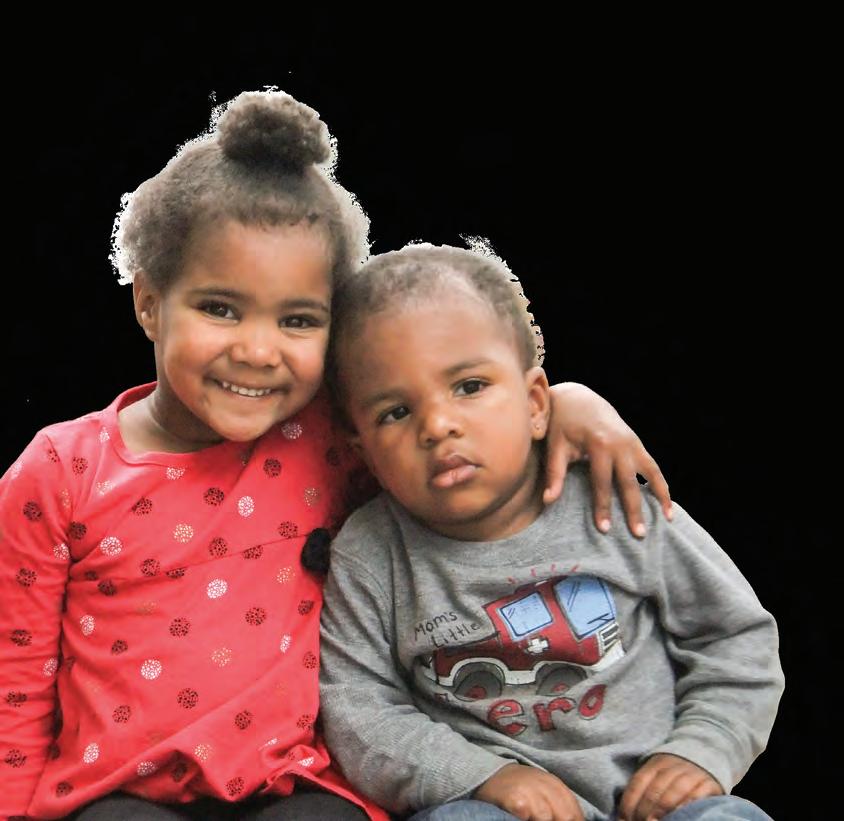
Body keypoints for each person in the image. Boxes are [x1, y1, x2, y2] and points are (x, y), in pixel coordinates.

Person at [0, 91, 670, 821]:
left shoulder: (330, 438)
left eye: (297, 320)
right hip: (117, 794)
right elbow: (15, 672)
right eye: (219, 308)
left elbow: (447, 409)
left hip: (298, 783)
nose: (257, 350)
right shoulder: (61, 470)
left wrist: (568, 400)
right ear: (150, 302)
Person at [319, 242, 784, 821]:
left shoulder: (611, 499)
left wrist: (702, 750)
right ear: (362, 449)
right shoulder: (371, 552)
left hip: (658, 806)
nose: (438, 425)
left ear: (537, 403)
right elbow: (358, 710)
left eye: (470, 386)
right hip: (493, 807)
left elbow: (734, 638)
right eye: (395, 412)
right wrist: (481, 777)